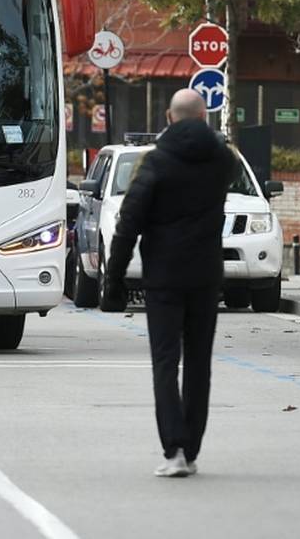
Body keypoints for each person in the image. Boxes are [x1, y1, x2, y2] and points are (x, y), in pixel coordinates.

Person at [102, 89, 237, 478]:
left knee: (165, 361)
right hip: (206, 276)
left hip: (163, 278)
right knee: (199, 363)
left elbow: (128, 225)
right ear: (205, 115)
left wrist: (114, 282)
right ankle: (191, 448)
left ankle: (173, 449)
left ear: (169, 116)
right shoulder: (222, 161)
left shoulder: (155, 162)